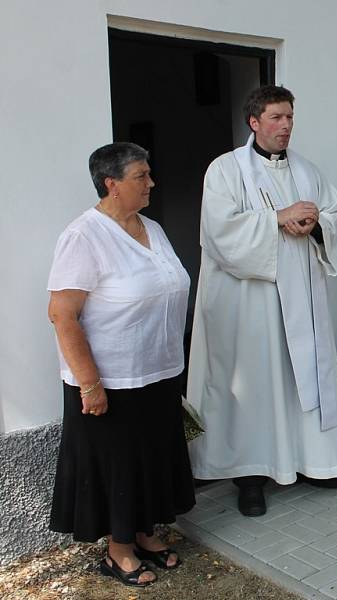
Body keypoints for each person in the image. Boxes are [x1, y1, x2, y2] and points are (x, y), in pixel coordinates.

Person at [186, 85, 337, 517]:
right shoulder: (224, 170)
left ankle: (316, 459)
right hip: (252, 301)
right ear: (254, 122)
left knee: (305, 375)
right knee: (258, 383)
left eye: (290, 117)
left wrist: (316, 224)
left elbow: (335, 212)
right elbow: (219, 232)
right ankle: (251, 476)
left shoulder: (308, 170)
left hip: (303, 296)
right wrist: (278, 218)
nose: (286, 126)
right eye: (276, 118)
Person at [47, 142, 195, 588]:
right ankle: (118, 551)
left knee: (152, 456)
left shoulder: (151, 227)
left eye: (149, 174)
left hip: (158, 371)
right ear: (111, 184)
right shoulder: (84, 236)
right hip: (111, 379)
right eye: (141, 176)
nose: (151, 183)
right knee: (119, 466)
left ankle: (146, 533)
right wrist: (90, 384)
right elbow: (62, 314)